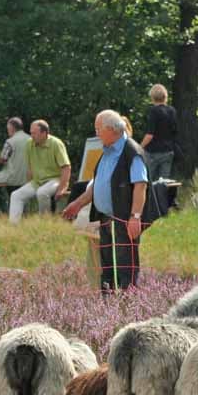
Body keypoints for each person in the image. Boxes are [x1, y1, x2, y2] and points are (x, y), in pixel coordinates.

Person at [62, 110, 147, 292]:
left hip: (123, 219)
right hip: (106, 218)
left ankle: (128, 307)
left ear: (111, 129)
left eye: (98, 128)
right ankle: (107, 308)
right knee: (107, 267)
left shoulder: (132, 152)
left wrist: (135, 217)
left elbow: (140, 185)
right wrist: (78, 204)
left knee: (126, 267)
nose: (97, 133)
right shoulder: (107, 152)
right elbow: (98, 184)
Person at [10, 120, 72, 223]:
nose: (31, 135)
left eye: (34, 133)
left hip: (55, 179)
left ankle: (44, 224)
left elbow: (66, 167)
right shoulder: (29, 144)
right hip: (37, 182)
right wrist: (28, 185)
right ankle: (13, 227)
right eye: (31, 132)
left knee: (42, 193)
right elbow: (30, 168)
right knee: (16, 195)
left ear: (44, 133)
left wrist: (62, 188)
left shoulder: (56, 143)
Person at [142, 83, 179, 181]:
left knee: (149, 180)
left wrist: (140, 147)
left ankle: (150, 197)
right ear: (165, 96)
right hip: (168, 151)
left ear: (152, 97)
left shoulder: (153, 111)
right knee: (164, 182)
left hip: (153, 152)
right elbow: (174, 131)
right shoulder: (172, 111)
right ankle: (162, 196)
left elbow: (150, 135)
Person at [0, 118, 31, 188]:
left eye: (8, 129)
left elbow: (2, 159)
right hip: (28, 177)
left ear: (12, 128)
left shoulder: (10, 141)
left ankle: (2, 199)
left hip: (13, 177)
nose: (7, 131)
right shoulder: (31, 139)